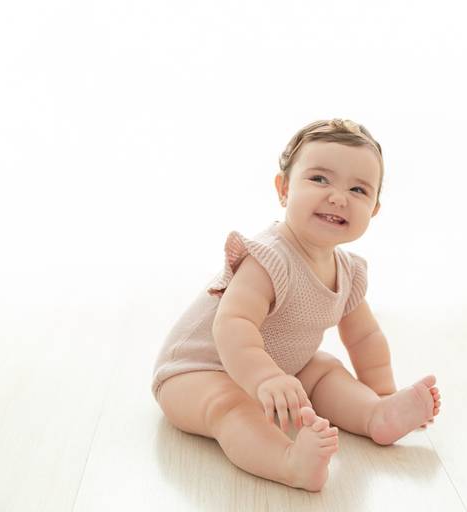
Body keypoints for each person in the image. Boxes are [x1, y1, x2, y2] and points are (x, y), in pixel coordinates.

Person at [151, 118, 441, 492]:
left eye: (357, 189)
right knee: (230, 405)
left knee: (325, 369)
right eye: (320, 179)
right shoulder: (269, 257)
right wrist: (266, 378)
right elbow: (233, 323)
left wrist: (383, 390)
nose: (338, 197)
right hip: (197, 372)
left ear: (374, 209)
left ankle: (376, 414)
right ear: (284, 189)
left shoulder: (348, 271)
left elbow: (365, 338)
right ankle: (288, 462)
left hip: (281, 366)